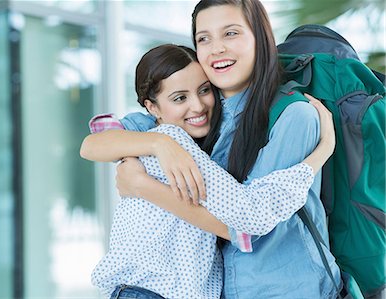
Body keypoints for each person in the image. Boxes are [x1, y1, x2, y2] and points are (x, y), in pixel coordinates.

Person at [114, 0, 343, 298]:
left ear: (260, 39)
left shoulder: (294, 114)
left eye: (231, 33)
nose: (216, 48)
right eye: (204, 38)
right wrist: (157, 143)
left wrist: (141, 184)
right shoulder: (203, 113)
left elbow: (249, 218)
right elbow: (100, 140)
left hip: (289, 287)